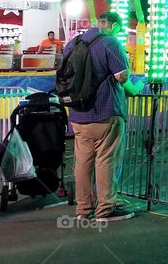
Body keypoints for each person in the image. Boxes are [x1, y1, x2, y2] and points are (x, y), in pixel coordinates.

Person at [65, 11, 143, 221]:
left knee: (82, 162)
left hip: (78, 114)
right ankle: (105, 209)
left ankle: (83, 210)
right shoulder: (110, 43)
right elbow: (121, 76)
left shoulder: (73, 43)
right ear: (116, 25)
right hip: (105, 112)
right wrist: (137, 87)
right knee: (106, 160)